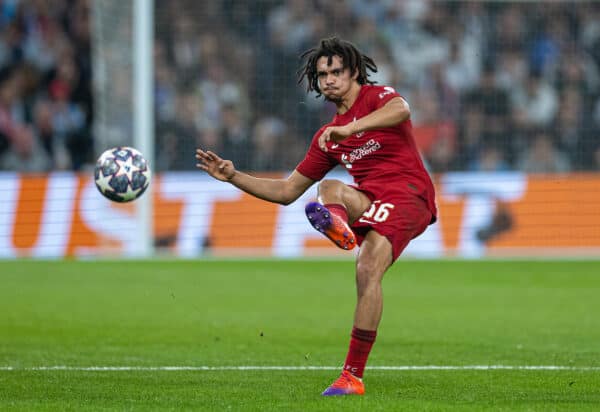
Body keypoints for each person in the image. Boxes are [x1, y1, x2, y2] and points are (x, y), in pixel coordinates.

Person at [196, 37, 437, 396]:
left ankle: (352, 373)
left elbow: (403, 110)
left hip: (409, 195)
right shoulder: (327, 137)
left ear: (354, 72)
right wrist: (234, 176)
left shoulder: (377, 97)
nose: (329, 79)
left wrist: (352, 128)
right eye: (322, 74)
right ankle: (339, 228)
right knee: (327, 193)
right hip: (371, 200)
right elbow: (287, 191)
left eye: (336, 71)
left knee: (366, 263)